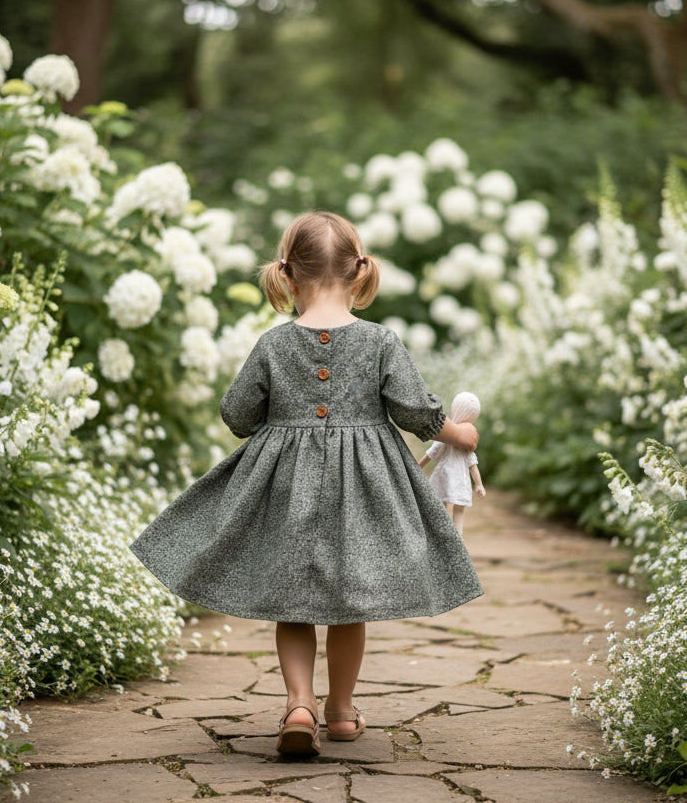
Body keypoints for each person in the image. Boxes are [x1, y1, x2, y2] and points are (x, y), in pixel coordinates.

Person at [130, 211, 482, 757]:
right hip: (365, 490)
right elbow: (414, 410)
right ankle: (341, 713)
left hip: (284, 488)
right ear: (359, 272)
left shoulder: (273, 346)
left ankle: (299, 705)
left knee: (291, 602)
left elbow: (238, 415)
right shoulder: (380, 341)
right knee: (350, 603)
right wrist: (459, 432)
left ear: (287, 275)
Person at [418, 391, 486, 536]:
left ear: (457, 410)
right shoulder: (467, 438)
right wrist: (478, 484)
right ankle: (454, 539)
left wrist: (419, 466)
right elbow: (472, 465)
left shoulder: (452, 435)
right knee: (455, 510)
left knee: (444, 508)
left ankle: (445, 537)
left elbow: (432, 453)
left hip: (446, 475)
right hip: (461, 479)